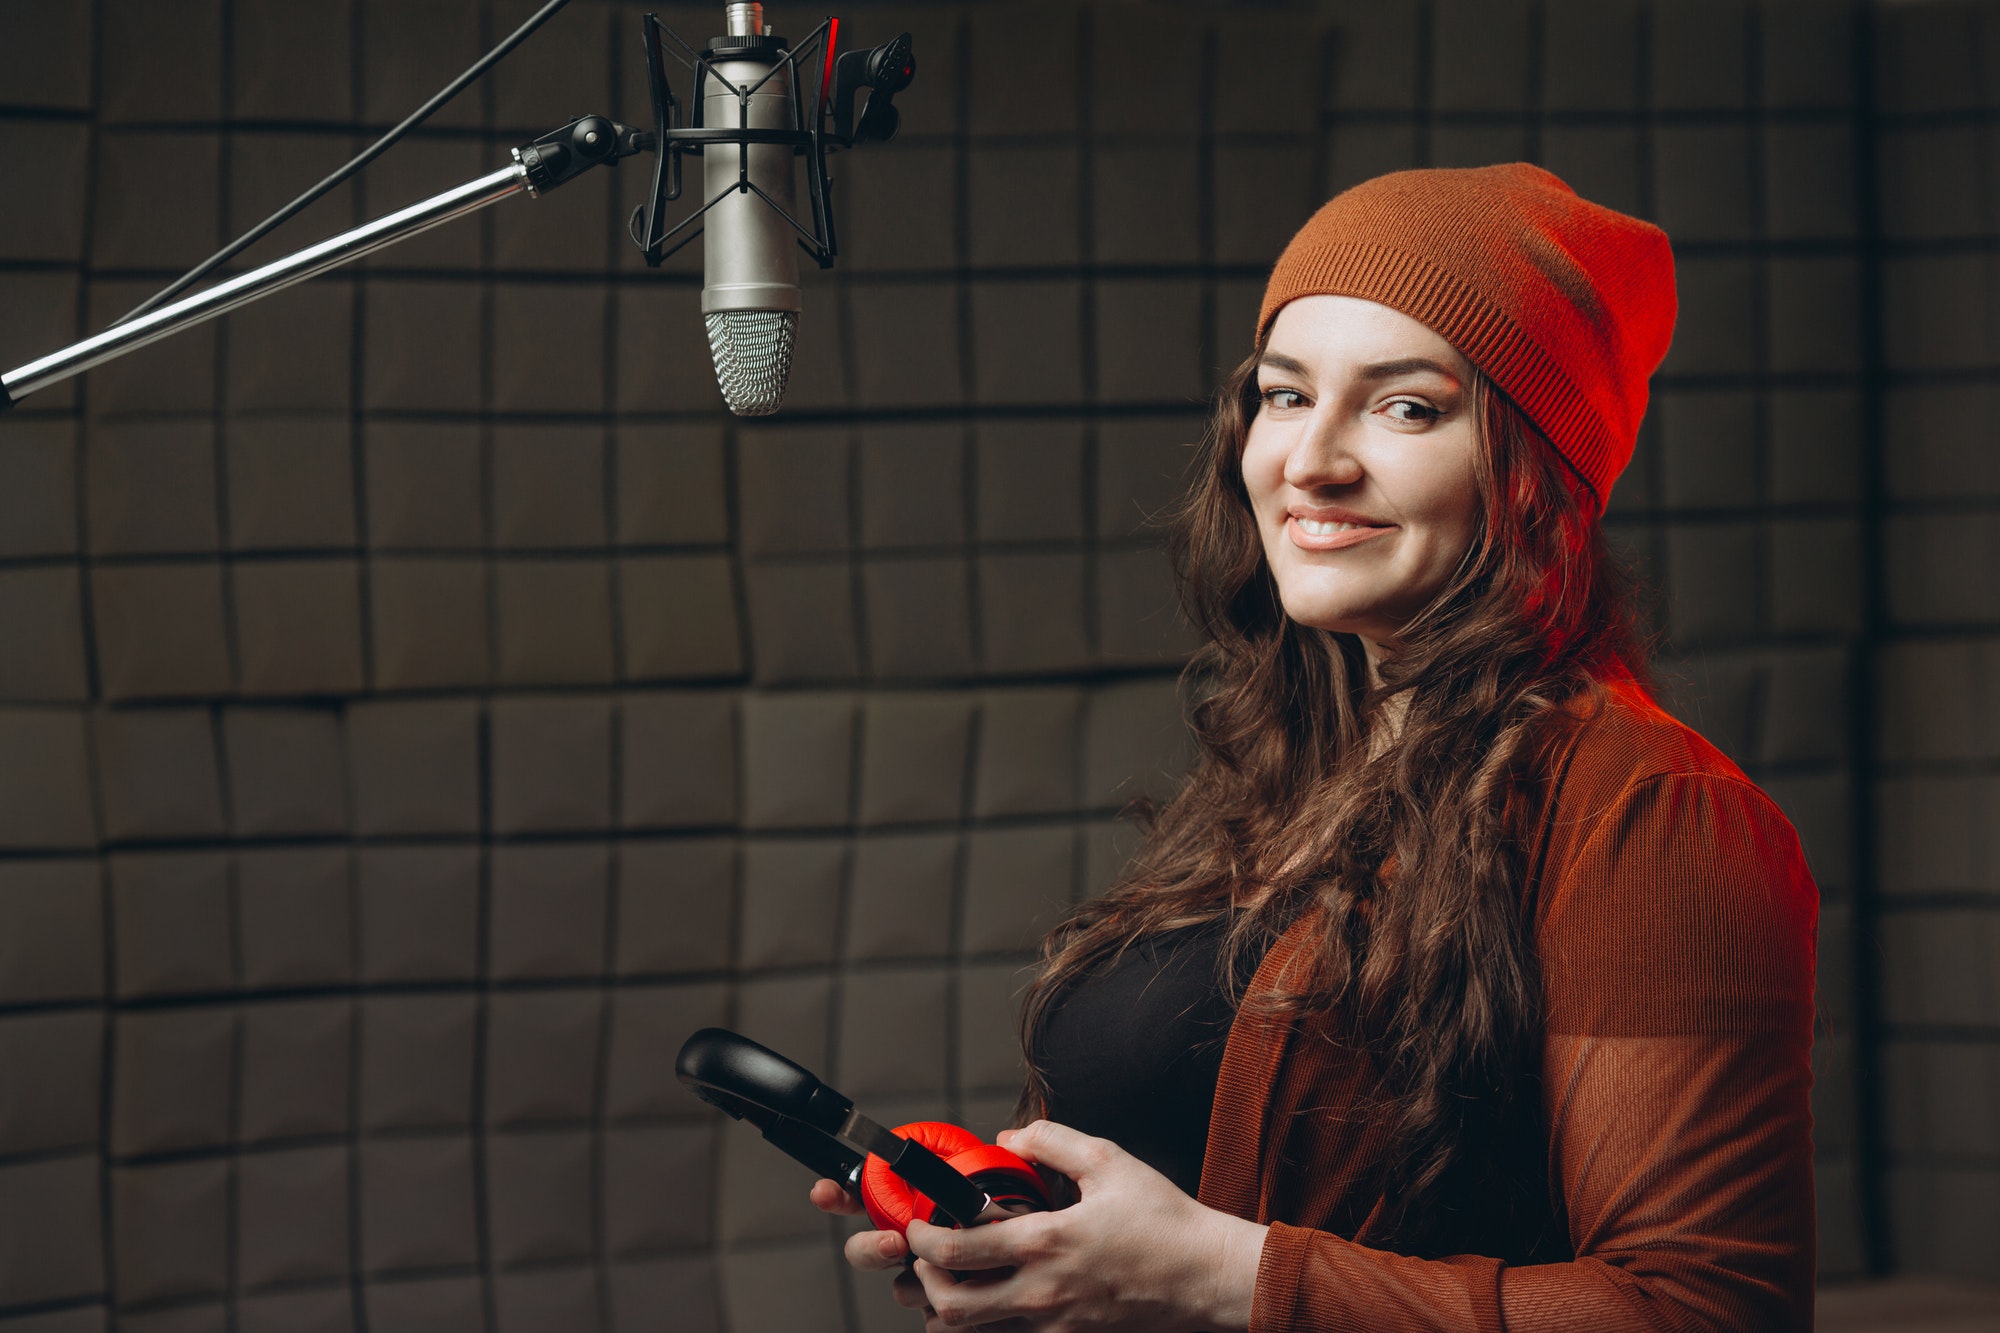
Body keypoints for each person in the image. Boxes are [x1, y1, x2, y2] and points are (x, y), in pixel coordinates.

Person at [810, 163, 1818, 1332]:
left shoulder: (1647, 810)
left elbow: (1705, 1309)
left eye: (1406, 408)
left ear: (1542, 471)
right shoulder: (1293, 774)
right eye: (1284, 395)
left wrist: (1211, 1274)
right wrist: (1026, 1236)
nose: (1310, 461)